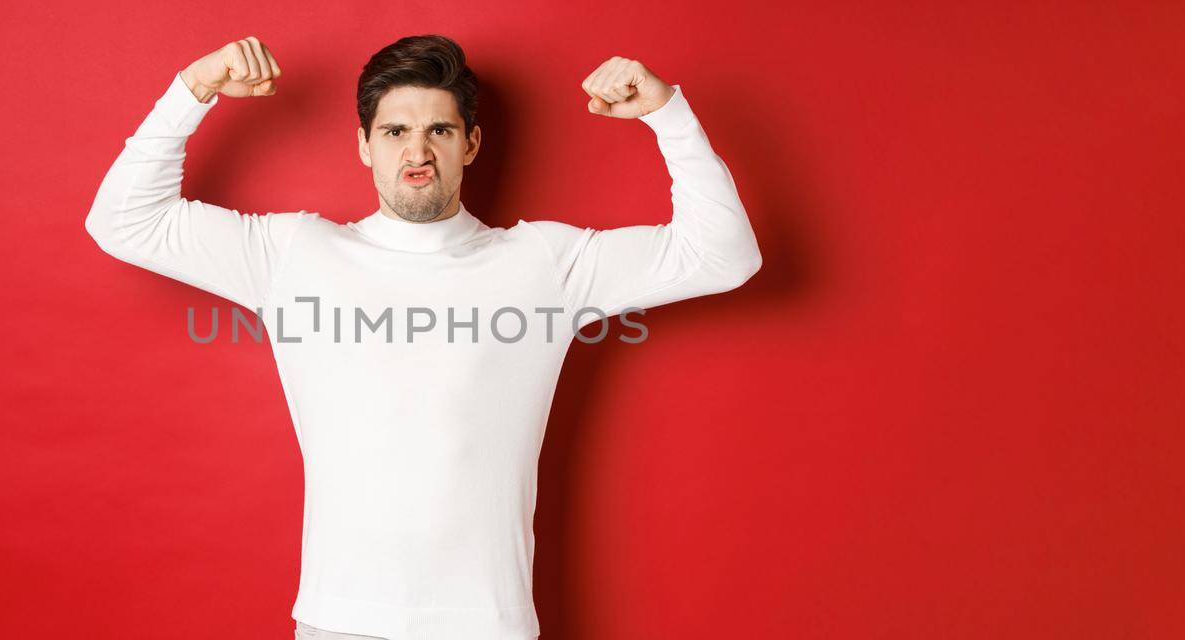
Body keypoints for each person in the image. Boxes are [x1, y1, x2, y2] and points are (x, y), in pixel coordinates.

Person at [85, 33, 762, 640]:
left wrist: (667, 114)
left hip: (487, 622)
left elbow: (724, 256)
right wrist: (193, 89)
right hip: (339, 618)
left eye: (439, 130)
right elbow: (124, 222)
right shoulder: (293, 252)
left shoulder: (544, 263)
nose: (416, 150)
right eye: (395, 130)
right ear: (363, 144)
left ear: (469, 143)